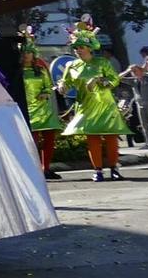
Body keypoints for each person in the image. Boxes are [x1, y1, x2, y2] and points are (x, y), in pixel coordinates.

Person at [59, 18, 131, 181]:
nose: (78, 50)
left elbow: (114, 80)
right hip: (86, 105)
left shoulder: (102, 62)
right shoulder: (71, 65)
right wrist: (62, 86)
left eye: (81, 47)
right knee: (93, 138)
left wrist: (100, 81)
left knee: (111, 137)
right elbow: (66, 83)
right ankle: (97, 170)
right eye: (75, 47)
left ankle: (114, 168)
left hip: (105, 105)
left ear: (90, 47)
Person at [18, 27, 63, 180]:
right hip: (28, 111)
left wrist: (46, 92)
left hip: (44, 110)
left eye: (28, 52)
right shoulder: (17, 72)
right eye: (23, 53)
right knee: (32, 142)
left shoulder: (41, 70)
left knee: (49, 139)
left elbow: (49, 85)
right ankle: (34, 169)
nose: (26, 56)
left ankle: (46, 168)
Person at [130, 55, 148, 146]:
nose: (134, 73)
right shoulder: (133, 81)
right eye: (133, 71)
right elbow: (119, 78)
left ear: (140, 70)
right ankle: (147, 142)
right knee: (143, 124)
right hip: (140, 104)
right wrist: (128, 70)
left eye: (135, 71)